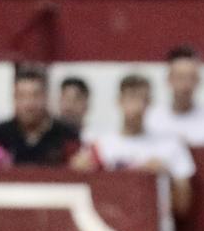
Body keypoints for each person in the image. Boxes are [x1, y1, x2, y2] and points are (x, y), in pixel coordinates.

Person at [72, 74, 196, 218]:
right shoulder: (99, 145)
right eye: (131, 97)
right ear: (119, 101)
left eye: (141, 99)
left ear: (149, 103)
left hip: (154, 229)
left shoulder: (170, 145)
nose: (136, 105)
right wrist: (77, 173)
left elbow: (183, 205)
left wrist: (165, 177)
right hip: (111, 227)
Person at [0, 67, 80, 167]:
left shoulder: (67, 134)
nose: (29, 103)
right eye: (22, 96)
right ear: (14, 98)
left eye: (35, 95)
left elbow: (79, 164)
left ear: (46, 97)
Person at [147, 45, 204, 147]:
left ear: (199, 80)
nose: (186, 85)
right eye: (180, 77)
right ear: (169, 79)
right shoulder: (151, 120)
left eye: (191, 78)